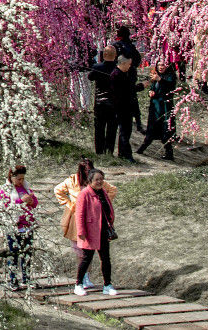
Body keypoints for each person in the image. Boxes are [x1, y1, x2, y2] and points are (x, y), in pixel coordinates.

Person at [55, 158, 114, 288]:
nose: (88, 172)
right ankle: (81, 281)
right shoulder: (73, 181)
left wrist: (101, 207)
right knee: (83, 254)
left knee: (103, 256)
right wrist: (70, 204)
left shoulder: (101, 187)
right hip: (78, 220)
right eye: (85, 170)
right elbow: (58, 190)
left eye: (90, 170)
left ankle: (104, 283)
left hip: (98, 223)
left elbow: (112, 191)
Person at [73, 169, 116, 296]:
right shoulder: (84, 194)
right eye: (97, 179)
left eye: (101, 179)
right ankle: (78, 284)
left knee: (106, 259)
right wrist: (81, 231)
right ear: (90, 181)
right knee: (86, 258)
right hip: (90, 231)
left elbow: (108, 209)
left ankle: (107, 284)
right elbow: (79, 214)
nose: (99, 182)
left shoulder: (103, 192)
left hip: (103, 230)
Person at [0, 165, 38, 290]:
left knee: (27, 254)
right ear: (12, 177)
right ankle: (13, 280)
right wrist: (20, 201)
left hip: (27, 226)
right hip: (13, 226)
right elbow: (5, 206)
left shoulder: (26, 187)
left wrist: (31, 201)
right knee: (13, 254)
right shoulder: (5, 190)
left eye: (22, 178)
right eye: (19, 179)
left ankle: (26, 278)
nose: (21, 181)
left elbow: (35, 202)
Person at [137, 61, 179, 160]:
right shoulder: (156, 75)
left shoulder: (170, 76)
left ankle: (169, 153)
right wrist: (150, 92)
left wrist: (160, 80)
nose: (161, 67)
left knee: (165, 129)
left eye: (163, 65)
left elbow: (170, 88)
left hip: (165, 106)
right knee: (152, 128)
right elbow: (152, 88)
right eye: (159, 65)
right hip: (155, 106)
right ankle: (142, 148)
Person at [110, 55, 143, 161]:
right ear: (123, 63)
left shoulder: (124, 73)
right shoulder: (116, 75)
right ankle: (127, 155)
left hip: (127, 107)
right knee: (124, 132)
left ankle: (122, 153)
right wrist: (141, 86)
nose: (130, 66)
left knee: (126, 131)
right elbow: (127, 90)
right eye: (129, 64)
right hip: (121, 107)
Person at [89, 45, 119, 155]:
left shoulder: (97, 67)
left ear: (104, 55)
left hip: (100, 102)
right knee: (112, 128)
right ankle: (109, 151)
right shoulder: (118, 68)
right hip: (114, 102)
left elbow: (90, 77)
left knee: (99, 128)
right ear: (115, 55)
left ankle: (99, 151)